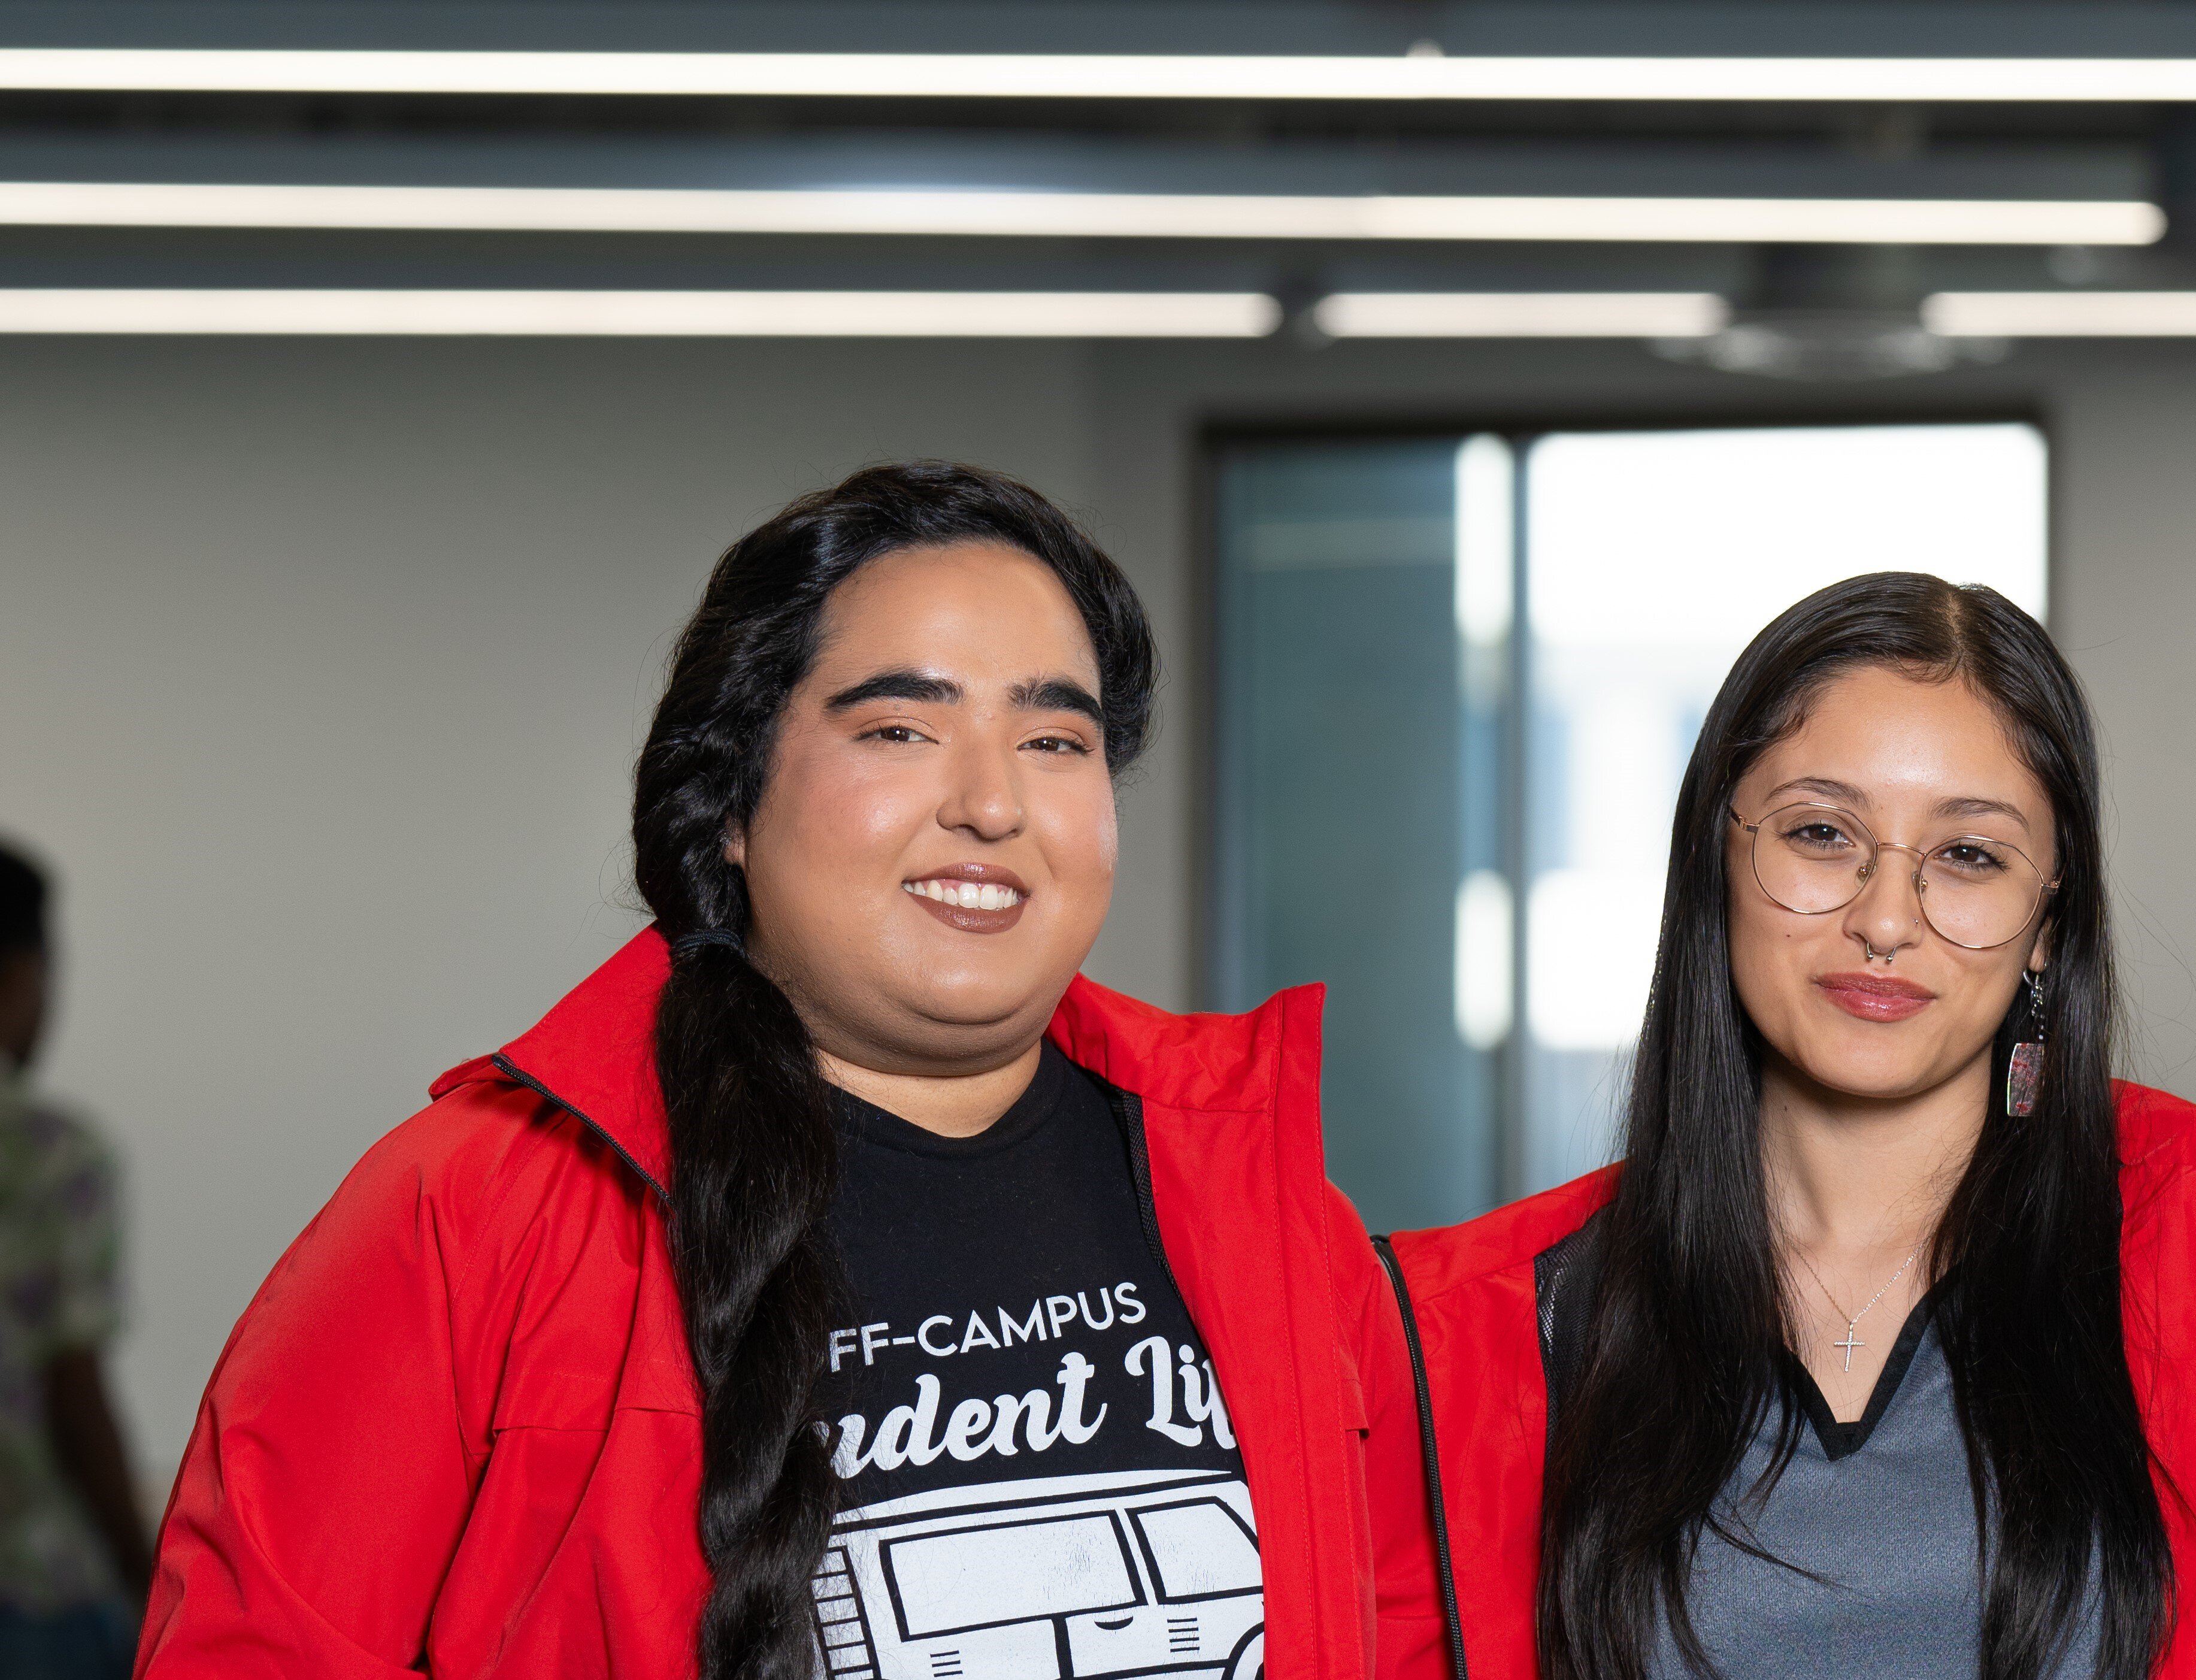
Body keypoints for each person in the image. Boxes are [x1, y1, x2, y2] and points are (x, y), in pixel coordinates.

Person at [137, 462, 1423, 1679]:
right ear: (737, 804)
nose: (990, 803)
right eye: (901, 728)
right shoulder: (476, 1210)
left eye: (1053, 743)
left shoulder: (1270, 1215)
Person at [1372, 574, 2196, 1679]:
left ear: (2050, 923)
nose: (1882, 918)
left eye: (1968, 855)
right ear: (1716, 864)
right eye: (1819, 832)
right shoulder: (1466, 1335)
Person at [0, 843, 151, 1679]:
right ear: (21, 974)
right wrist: (142, 1565)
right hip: (31, 1588)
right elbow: (73, 1390)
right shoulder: (52, 1153)